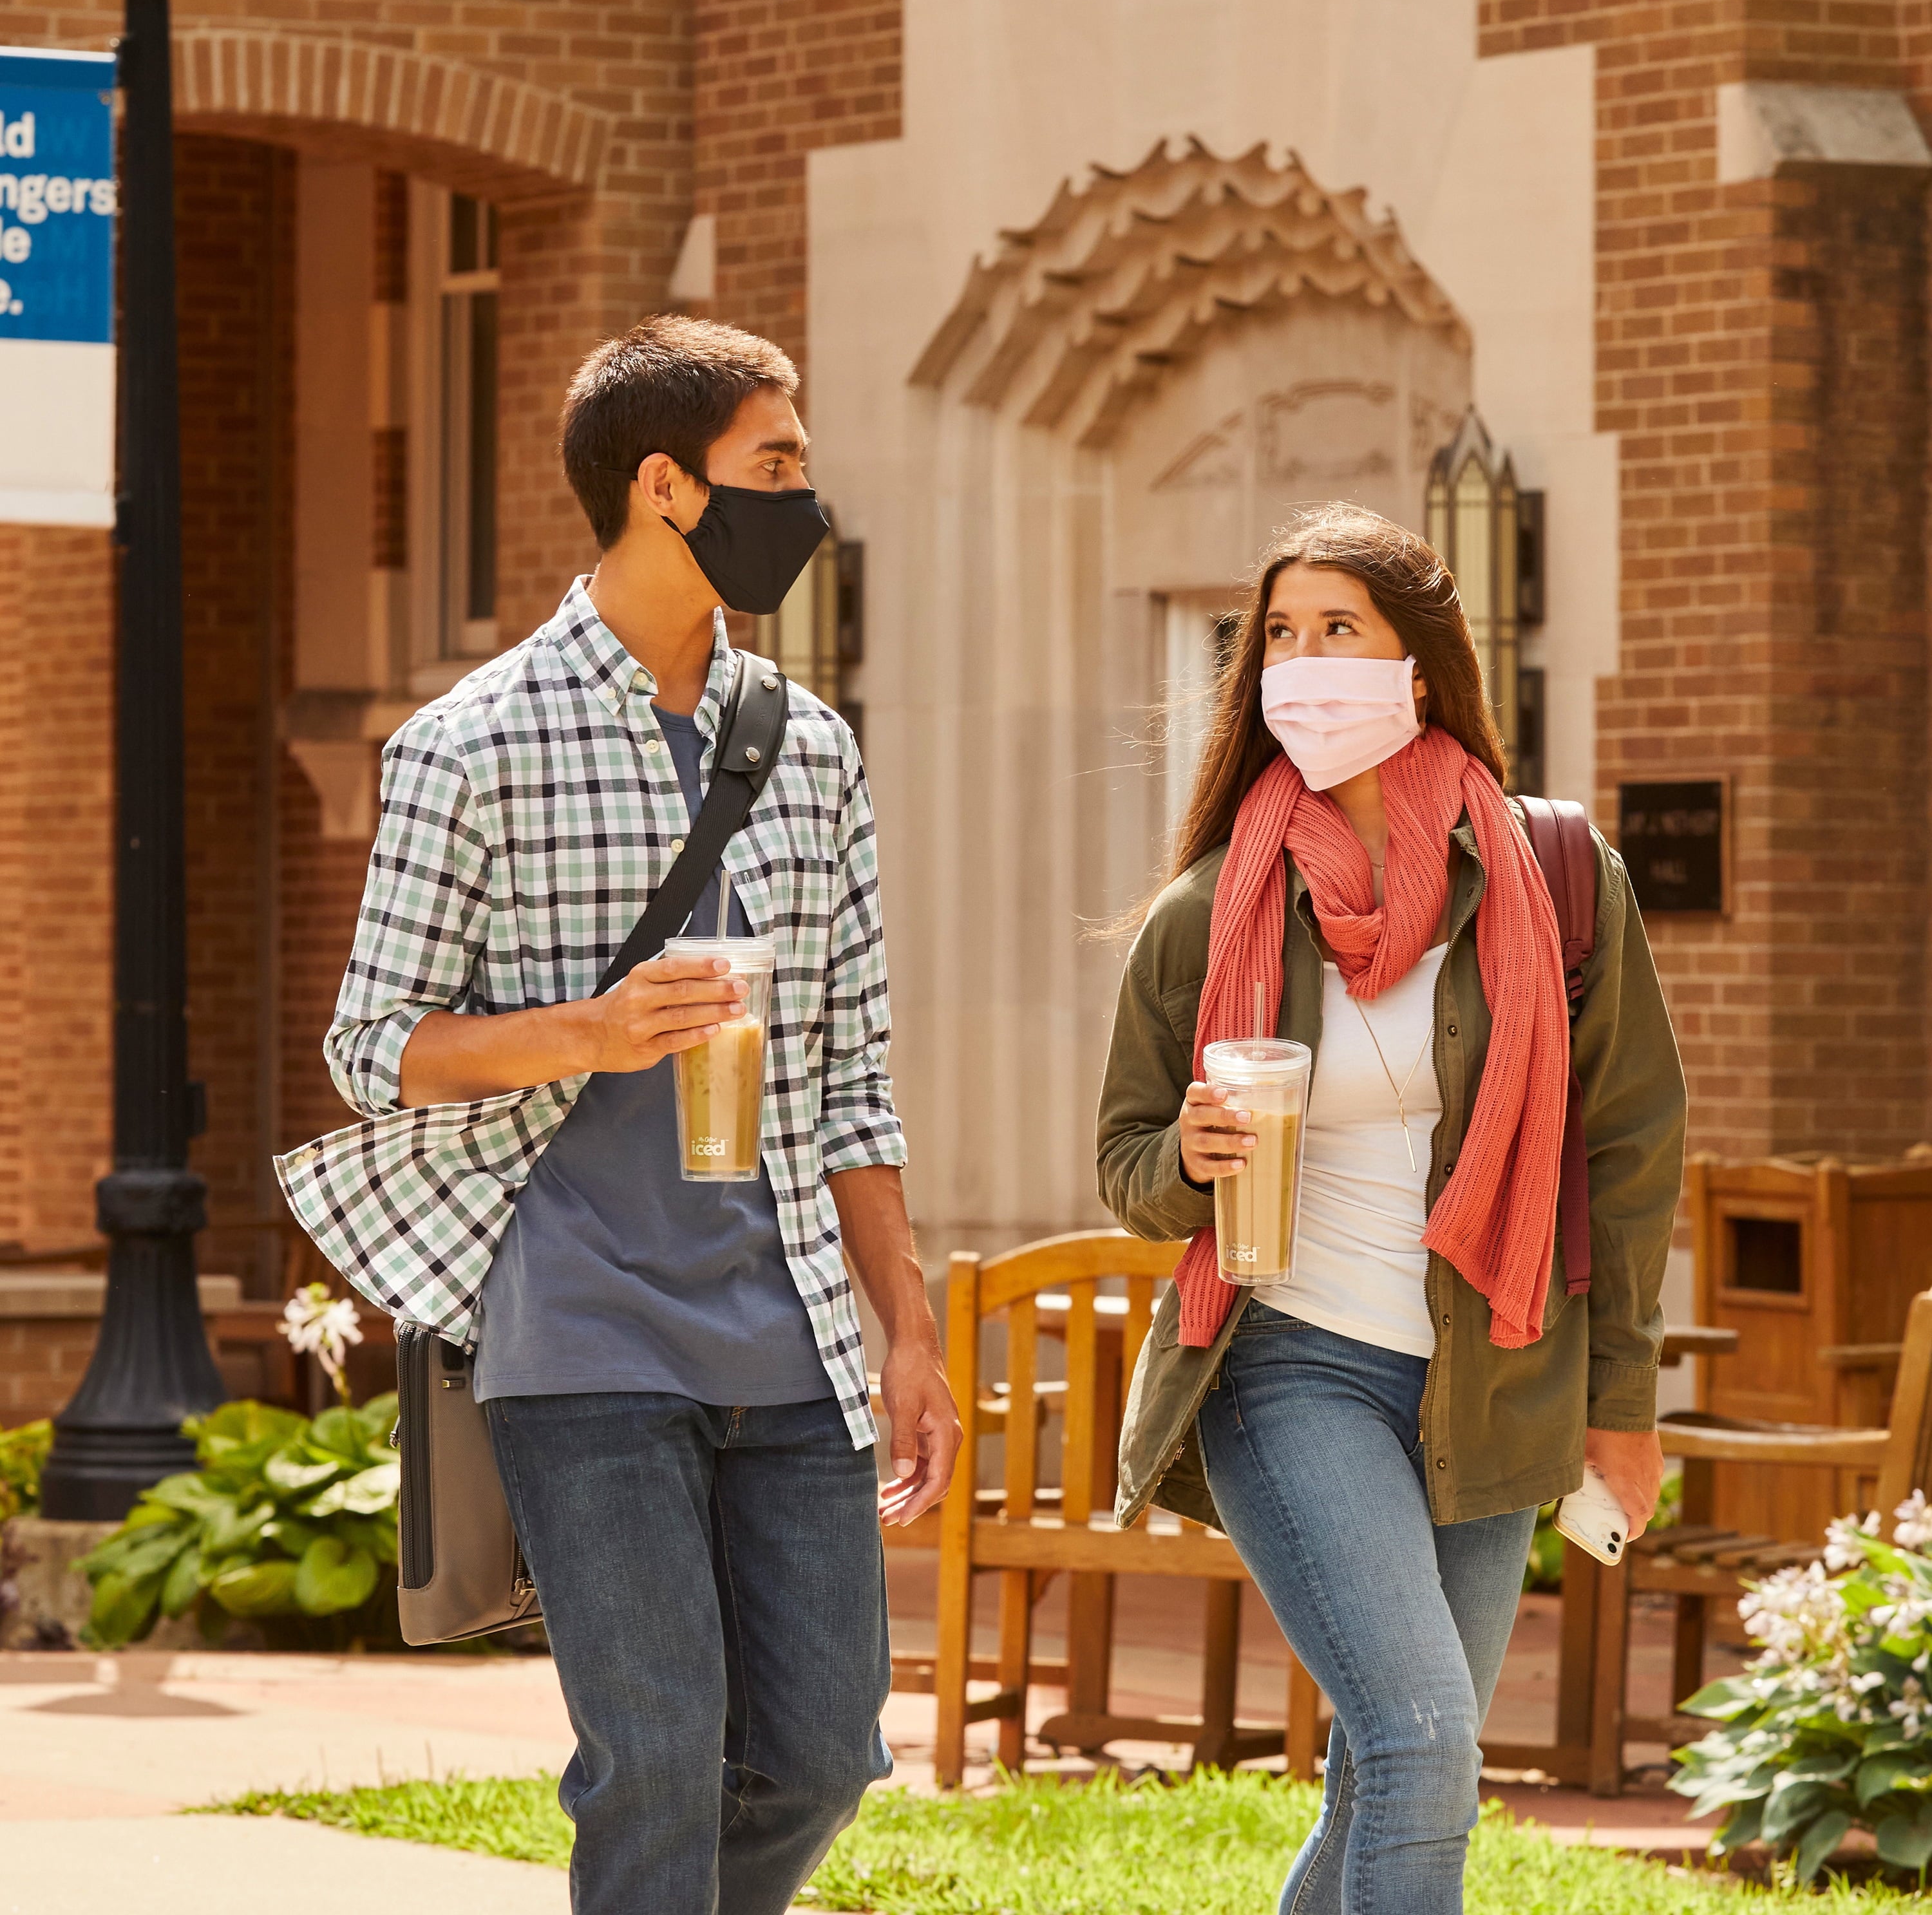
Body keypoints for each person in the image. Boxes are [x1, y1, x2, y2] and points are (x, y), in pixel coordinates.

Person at [322, 315, 960, 1915]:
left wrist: (909, 1329)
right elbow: (372, 1046)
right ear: (666, 486)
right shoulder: (470, 745)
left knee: (822, 1754)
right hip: (582, 1332)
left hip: (791, 1332)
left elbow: (855, 1072)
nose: (804, 497)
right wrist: (589, 1035)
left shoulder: (808, 748)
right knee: (658, 1760)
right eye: (776, 463)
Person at [1097, 504, 1686, 1914]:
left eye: (1338, 631)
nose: (1302, 664)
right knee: (1425, 1751)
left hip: (1495, 1374)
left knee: (1391, 1769)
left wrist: (1623, 1404)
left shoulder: (1555, 879)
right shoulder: (1211, 909)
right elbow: (1126, 1163)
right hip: (1289, 1363)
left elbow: (1630, 1152)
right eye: (1279, 637)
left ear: (1419, 667)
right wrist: (1189, 1157)